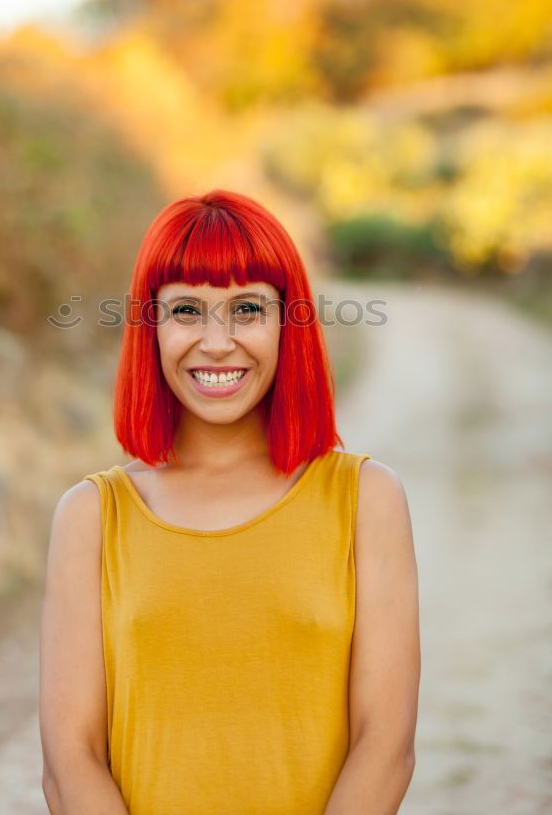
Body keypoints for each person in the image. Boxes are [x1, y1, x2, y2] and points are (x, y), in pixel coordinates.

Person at [39, 188, 420, 815]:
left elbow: (386, 746)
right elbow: (68, 760)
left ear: (286, 323)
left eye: (247, 309)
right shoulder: (90, 516)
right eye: (187, 309)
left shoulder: (366, 499)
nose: (217, 343)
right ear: (150, 326)